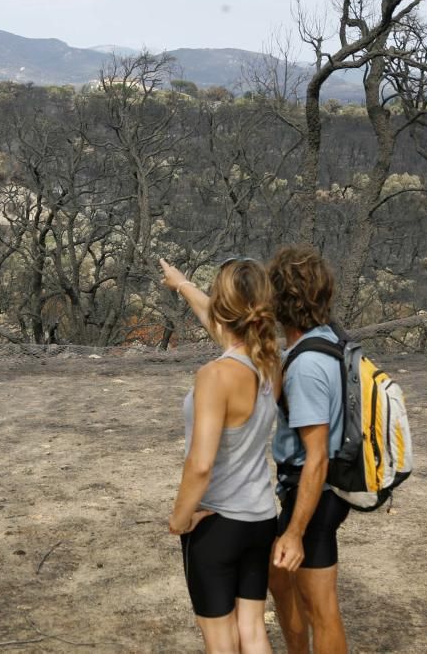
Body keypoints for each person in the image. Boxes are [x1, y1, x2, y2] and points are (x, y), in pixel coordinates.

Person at [160, 257, 282, 654]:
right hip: (261, 519)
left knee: (222, 643)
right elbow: (217, 323)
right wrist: (181, 285)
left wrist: (180, 520)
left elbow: (200, 465)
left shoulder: (215, 375)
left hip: (217, 524)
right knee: (253, 632)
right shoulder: (268, 363)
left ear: (222, 307)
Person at [266, 245, 349, 654]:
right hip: (313, 491)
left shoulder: (306, 367)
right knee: (279, 579)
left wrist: (296, 532)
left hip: (314, 495)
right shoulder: (327, 338)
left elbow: (316, 455)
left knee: (321, 608)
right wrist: (183, 286)